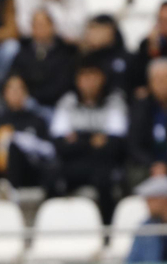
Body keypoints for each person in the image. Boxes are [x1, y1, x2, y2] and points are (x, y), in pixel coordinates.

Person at [51, 56, 128, 209]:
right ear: (77, 79)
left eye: (93, 75)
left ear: (102, 77)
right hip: (73, 164)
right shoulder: (67, 102)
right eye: (84, 76)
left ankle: (107, 228)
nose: (89, 81)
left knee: (105, 178)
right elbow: (59, 145)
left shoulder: (114, 102)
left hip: (104, 165)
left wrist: (78, 139)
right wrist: (92, 140)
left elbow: (115, 145)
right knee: (51, 175)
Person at [0, 74, 59, 193]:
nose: (15, 93)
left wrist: (28, 142)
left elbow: (50, 150)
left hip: (27, 172)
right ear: (4, 93)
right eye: (11, 89)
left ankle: (11, 191)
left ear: (26, 93)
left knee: (14, 147)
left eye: (19, 88)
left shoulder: (36, 120)